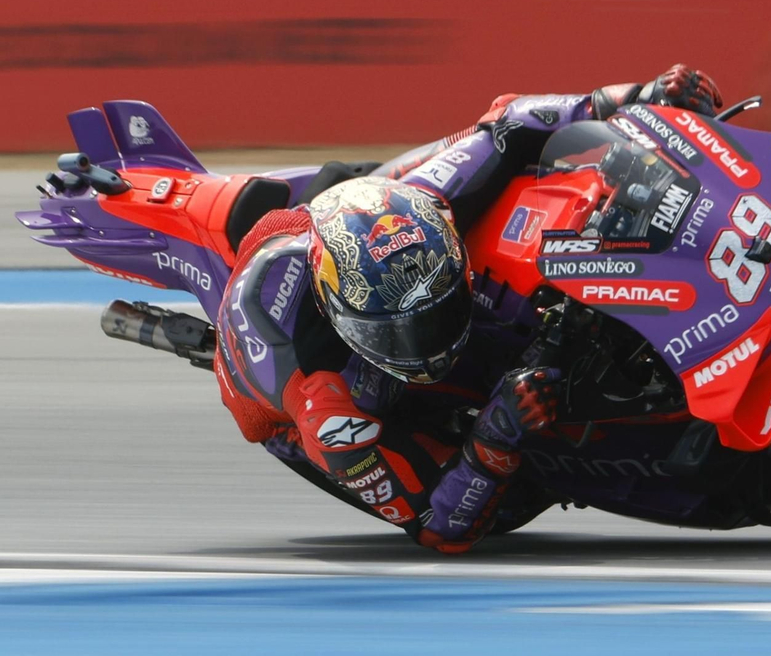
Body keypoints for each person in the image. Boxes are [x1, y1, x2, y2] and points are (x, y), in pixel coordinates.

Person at [212, 65, 724, 553]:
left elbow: (509, 120)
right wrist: (497, 432)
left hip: (331, 222)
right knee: (511, 504)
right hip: (283, 407)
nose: (430, 343)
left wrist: (637, 95)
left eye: (438, 311)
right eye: (403, 334)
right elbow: (439, 529)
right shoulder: (326, 410)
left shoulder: (426, 204)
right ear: (347, 323)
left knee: (511, 173)